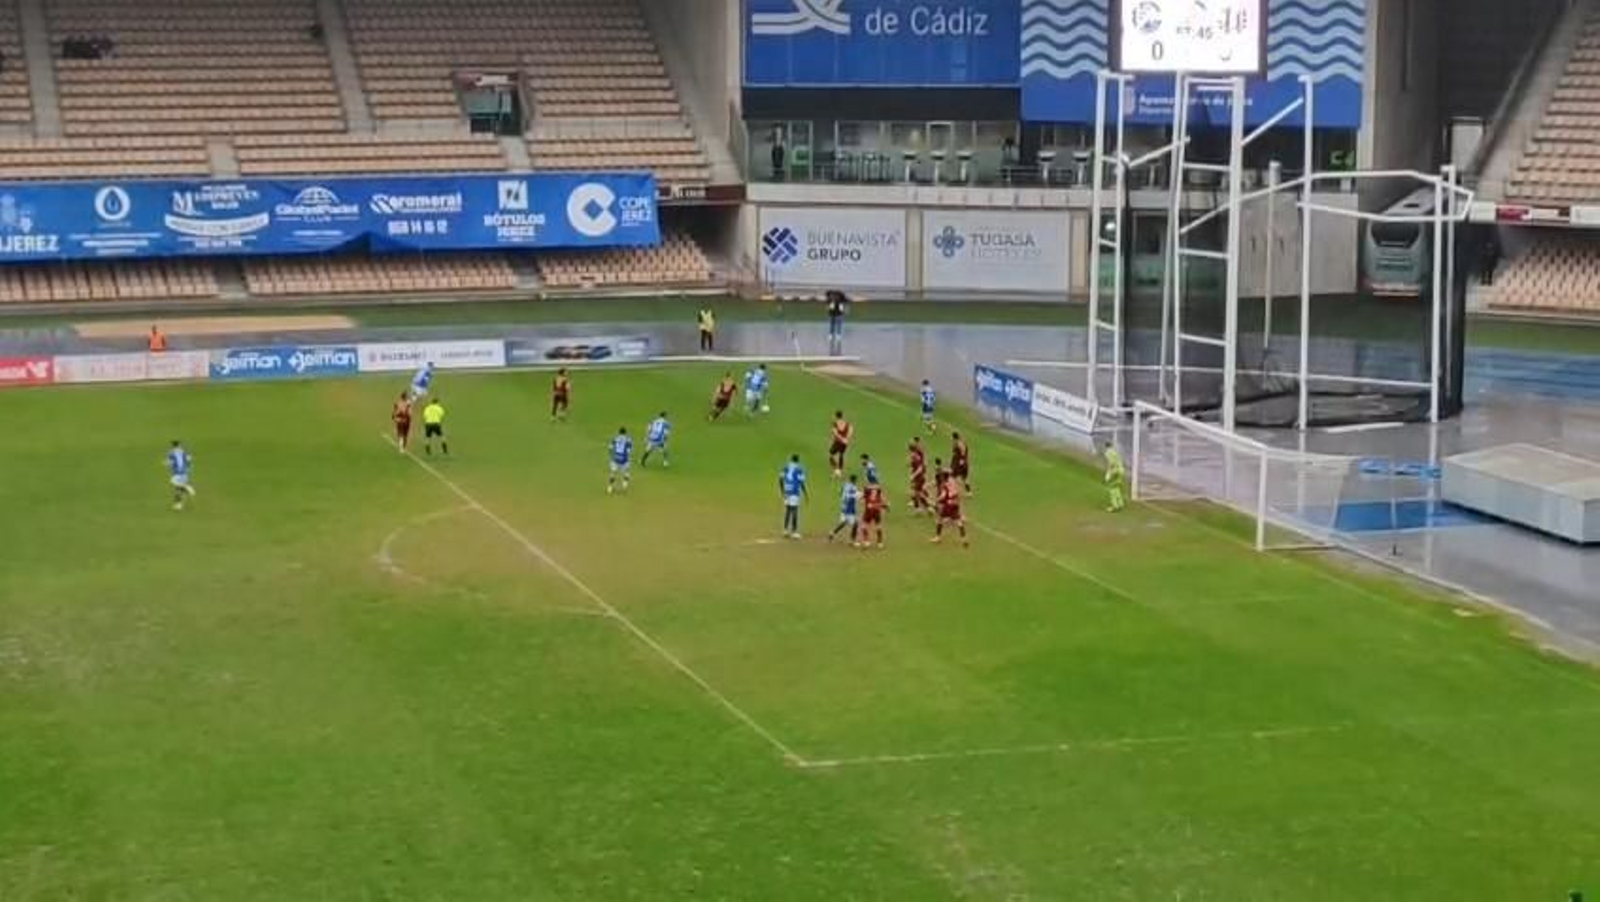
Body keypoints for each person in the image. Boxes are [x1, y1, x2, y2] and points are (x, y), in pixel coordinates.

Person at [932, 473, 968, 547]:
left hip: (948, 505)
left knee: (940, 520)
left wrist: (937, 500)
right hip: (955, 504)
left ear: (944, 478)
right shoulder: (953, 482)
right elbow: (957, 492)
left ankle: (938, 537)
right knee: (959, 522)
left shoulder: (945, 485)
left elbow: (943, 495)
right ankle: (964, 539)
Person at [778, 454, 808, 539]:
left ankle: (785, 530)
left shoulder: (786, 467)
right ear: (798, 460)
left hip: (787, 490)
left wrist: (782, 490)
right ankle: (794, 532)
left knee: (787, 510)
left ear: (791, 459)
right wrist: (805, 493)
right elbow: (801, 482)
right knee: (794, 510)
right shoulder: (799, 469)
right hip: (794, 491)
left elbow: (780, 479)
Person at [829, 474, 861, 545]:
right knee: (856, 523)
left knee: (844, 522)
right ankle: (853, 541)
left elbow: (840, 493)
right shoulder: (853, 488)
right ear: (855, 480)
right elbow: (855, 496)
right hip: (849, 508)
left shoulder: (845, 485)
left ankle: (833, 533)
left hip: (843, 506)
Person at [166, 440, 196, 511]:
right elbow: (189, 460)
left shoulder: (171, 453)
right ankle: (178, 505)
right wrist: (189, 468)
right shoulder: (184, 452)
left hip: (177, 473)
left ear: (172, 446)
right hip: (185, 472)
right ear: (179, 445)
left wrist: (166, 463)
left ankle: (187, 488)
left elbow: (170, 463)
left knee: (175, 485)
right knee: (178, 490)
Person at [860, 479, 888, 549]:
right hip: (877, 509)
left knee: (864, 525)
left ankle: (867, 542)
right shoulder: (878, 488)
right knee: (878, 525)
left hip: (869, 509)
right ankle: (880, 543)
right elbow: (882, 498)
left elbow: (862, 498)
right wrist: (885, 505)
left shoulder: (866, 488)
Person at [607, 427, 633, 494]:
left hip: (615, 459)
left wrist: (611, 455)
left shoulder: (615, 438)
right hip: (624, 460)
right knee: (626, 473)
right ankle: (624, 487)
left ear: (619, 432)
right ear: (625, 433)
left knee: (613, 473)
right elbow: (629, 451)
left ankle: (610, 488)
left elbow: (610, 447)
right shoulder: (628, 440)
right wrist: (628, 458)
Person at [908, 437, 930, 515]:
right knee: (917, 491)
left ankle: (926, 507)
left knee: (917, 492)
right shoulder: (916, 455)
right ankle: (924, 507)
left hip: (918, 476)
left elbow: (920, 467)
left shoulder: (915, 456)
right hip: (919, 475)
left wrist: (913, 475)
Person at [1103, 441, 1126, 513]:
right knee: (1116, 487)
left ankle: (1114, 506)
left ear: (1105, 446)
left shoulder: (1107, 453)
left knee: (1112, 489)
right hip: (1121, 470)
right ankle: (1120, 503)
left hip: (1115, 471)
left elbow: (1111, 463)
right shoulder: (1114, 451)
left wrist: (1108, 474)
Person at [829, 410, 853, 478]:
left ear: (836, 416)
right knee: (841, 454)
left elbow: (835, 433)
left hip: (838, 442)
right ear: (842, 416)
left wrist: (841, 439)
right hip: (845, 443)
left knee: (831, 454)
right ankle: (840, 471)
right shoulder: (847, 423)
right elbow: (851, 431)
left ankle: (836, 470)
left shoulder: (835, 423)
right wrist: (847, 439)